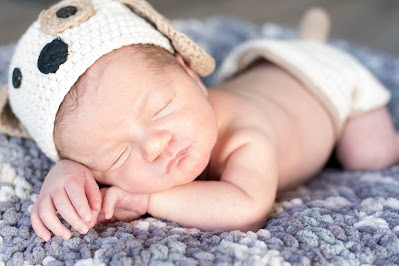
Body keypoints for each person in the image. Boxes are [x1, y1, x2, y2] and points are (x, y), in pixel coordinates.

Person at [1, 0, 398, 242]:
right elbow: (87, 148)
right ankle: (308, 37)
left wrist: (150, 198)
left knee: (369, 154)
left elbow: (245, 208)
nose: (154, 144)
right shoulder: (110, 133)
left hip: (324, 84)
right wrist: (66, 174)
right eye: (118, 156)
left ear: (190, 72)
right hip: (265, 74)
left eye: (161, 109)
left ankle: (313, 43)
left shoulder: (246, 134)